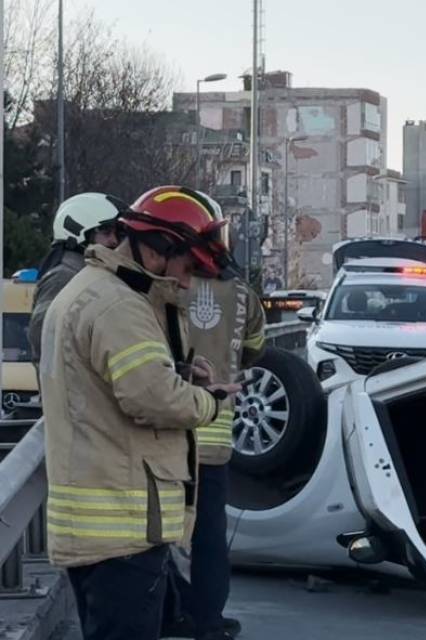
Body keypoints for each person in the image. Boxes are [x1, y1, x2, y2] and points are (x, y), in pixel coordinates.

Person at [40, 185, 241, 640]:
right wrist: (210, 400)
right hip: (121, 524)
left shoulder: (94, 291)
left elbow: (119, 381)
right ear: (157, 249)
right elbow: (152, 398)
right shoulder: (120, 307)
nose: (189, 282)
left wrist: (183, 373)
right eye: (188, 267)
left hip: (106, 523)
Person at [167, 195, 265, 640]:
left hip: (167, 429)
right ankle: (208, 622)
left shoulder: (168, 283)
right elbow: (256, 346)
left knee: (159, 535)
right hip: (215, 435)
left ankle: (170, 614)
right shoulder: (241, 292)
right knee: (209, 537)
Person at [29, 192, 129, 367]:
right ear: (77, 230)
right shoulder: (62, 277)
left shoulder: (92, 275)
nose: (114, 241)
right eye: (106, 232)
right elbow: (44, 339)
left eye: (117, 234)